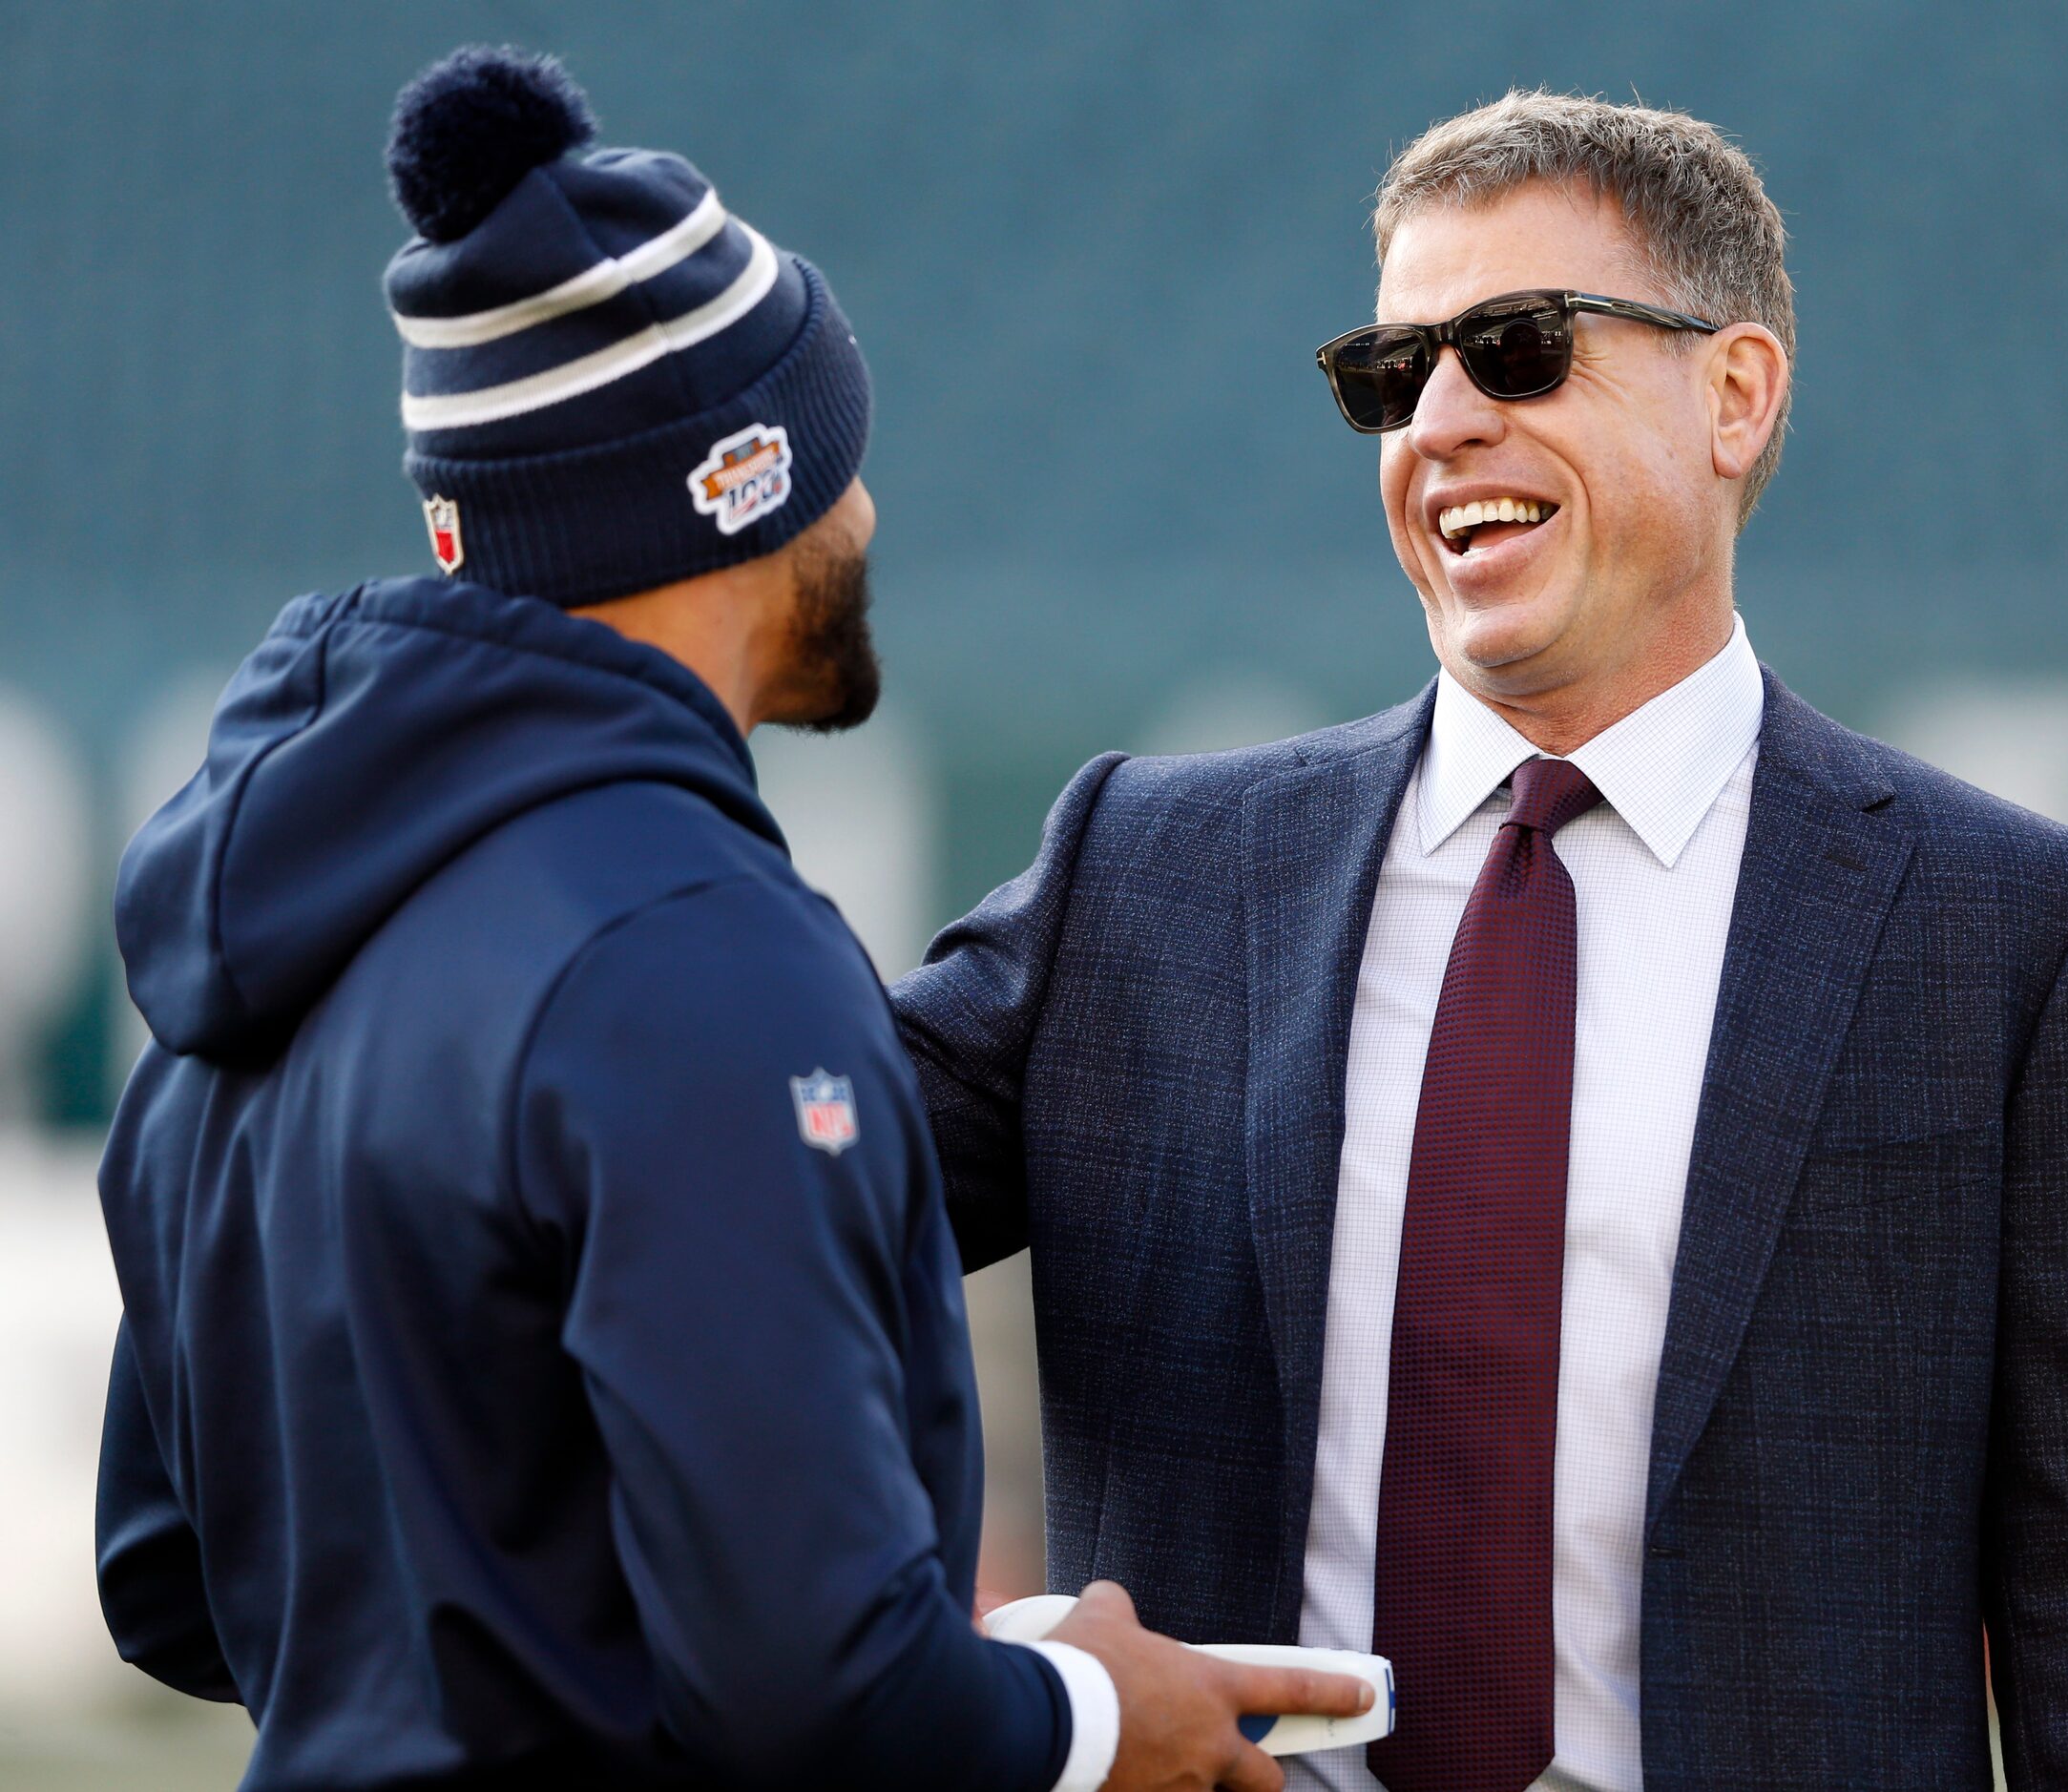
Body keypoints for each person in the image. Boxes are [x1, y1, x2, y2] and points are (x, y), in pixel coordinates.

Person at [895, 89, 2068, 1790]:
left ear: (1734, 395)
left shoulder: (2010, 928)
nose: (1440, 420)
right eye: (1391, 376)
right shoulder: (1143, 871)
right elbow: (739, 1183)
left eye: (1518, 348)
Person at [95, 47, 1366, 1792]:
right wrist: (1084, 1711)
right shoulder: (693, 955)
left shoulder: (259, 930)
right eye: (839, 455)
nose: (866, 511)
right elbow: (814, 1686)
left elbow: (172, 1583)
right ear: (744, 482)